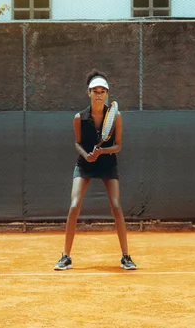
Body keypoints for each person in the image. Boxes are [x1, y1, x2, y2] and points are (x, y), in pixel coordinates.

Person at [54, 69, 137, 271]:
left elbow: (118, 146)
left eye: (103, 91)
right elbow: (77, 143)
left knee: (116, 206)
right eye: (95, 90)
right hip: (84, 164)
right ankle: (66, 256)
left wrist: (101, 152)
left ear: (107, 93)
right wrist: (86, 155)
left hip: (107, 163)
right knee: (74, 206)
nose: (99, 94)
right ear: (88, 93)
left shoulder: (115, 116)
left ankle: (126, 256)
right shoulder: (79, 118)